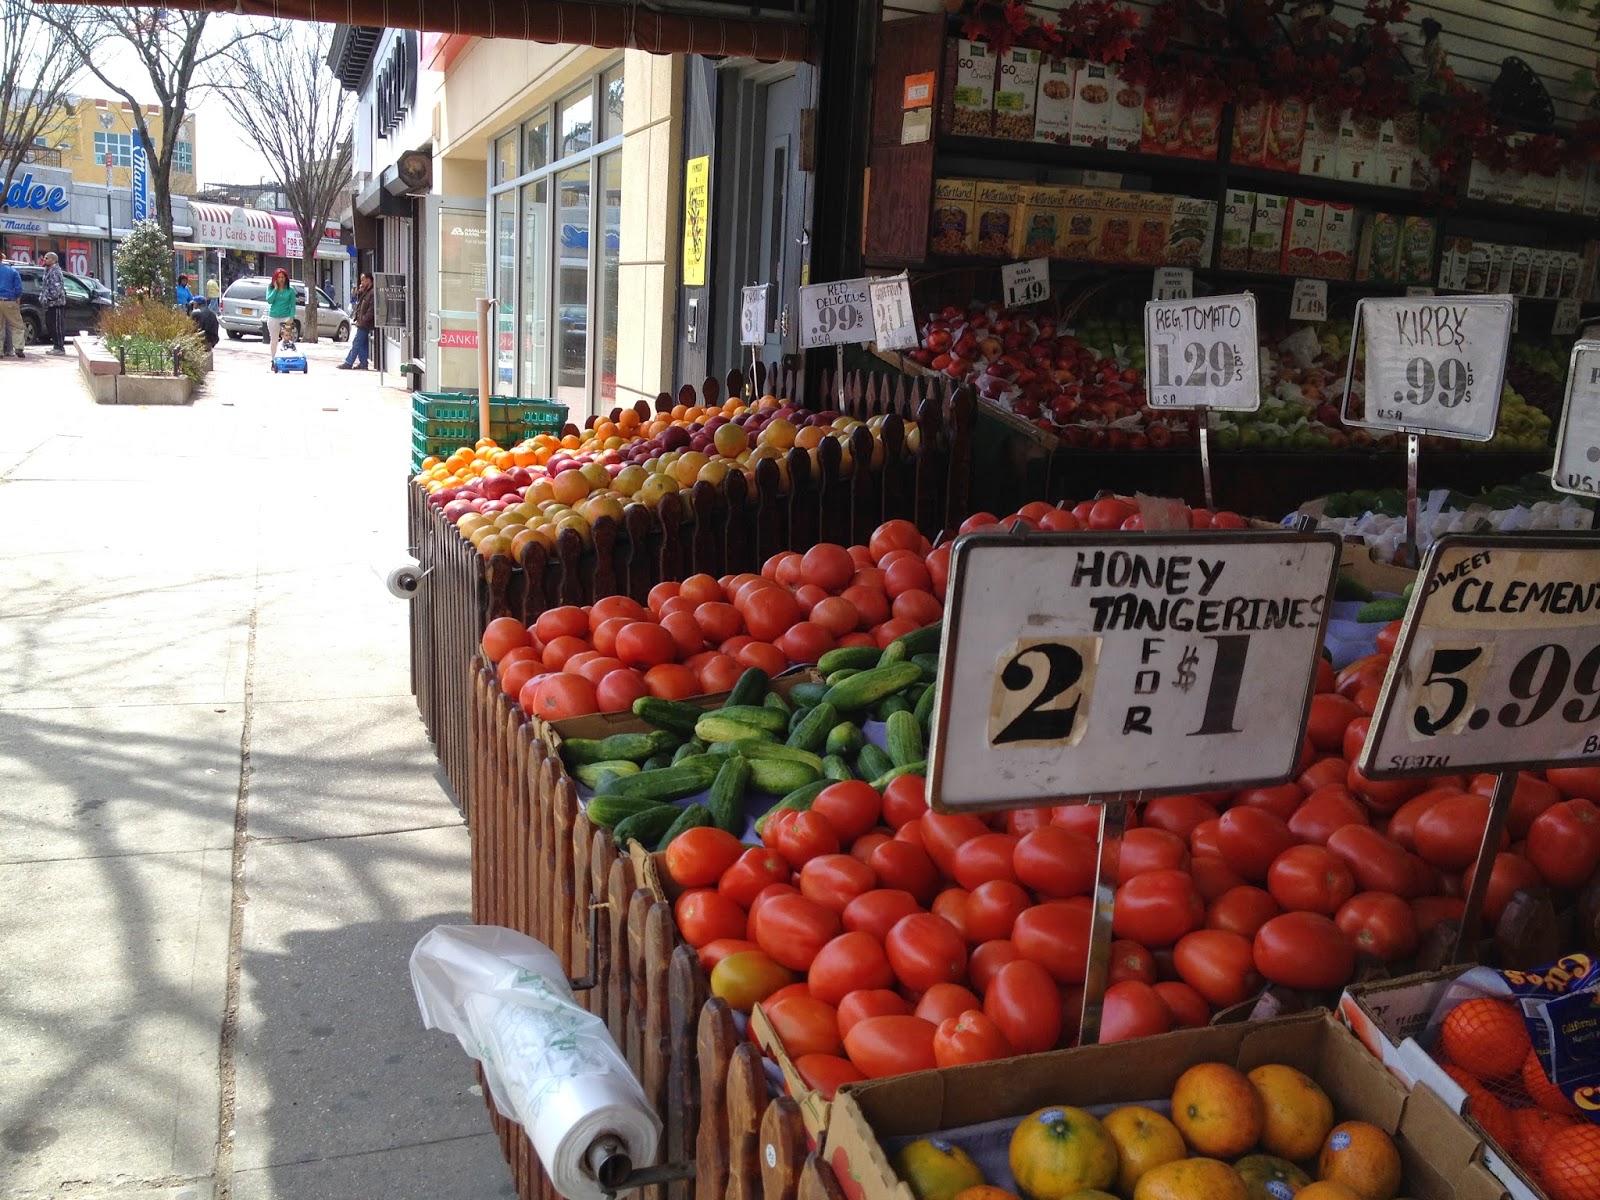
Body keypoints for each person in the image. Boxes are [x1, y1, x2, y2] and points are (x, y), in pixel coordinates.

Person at [338, 271, 375, 370]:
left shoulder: (372, 293)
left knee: (356, 343)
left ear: (368, 280)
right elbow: (358, 302)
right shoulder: (366, 292)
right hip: (361, 322)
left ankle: (348, 362)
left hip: (365, 323)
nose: (361, 282)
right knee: (362, 344)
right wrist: (358, 291)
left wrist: (363, 319)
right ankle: (363, 363)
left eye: (363, 280)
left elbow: (371, 310)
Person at [264, 268, 295, 368]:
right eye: (279, 277)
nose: (281, 279)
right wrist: (276, 289)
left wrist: (291, 317)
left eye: (283, 277)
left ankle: (286, 359)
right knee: (274, 340)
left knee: (286, 338)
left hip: (286, 317)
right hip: (273, 317)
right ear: (275, 278)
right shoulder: (271, 288)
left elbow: (293, 305)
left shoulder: (291, 291)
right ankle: (274, 361)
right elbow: (269, 300)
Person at [40, 251, 66, 355]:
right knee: (50, 325)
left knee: (57, 326)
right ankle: (55, 346)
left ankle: (60, 347)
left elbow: (57, 288)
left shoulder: (56, 271)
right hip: (49, 304)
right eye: (44, 258)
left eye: (47, 258)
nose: (45, 260)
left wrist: (50, 298)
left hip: (56, 304)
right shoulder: (47, 270)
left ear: (54, 260)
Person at [0, 256, 23, 358]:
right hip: (9, 300)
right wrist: (18, 297)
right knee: (17, 326)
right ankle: (18, 347)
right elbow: (18, 286)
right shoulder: (12, 271)